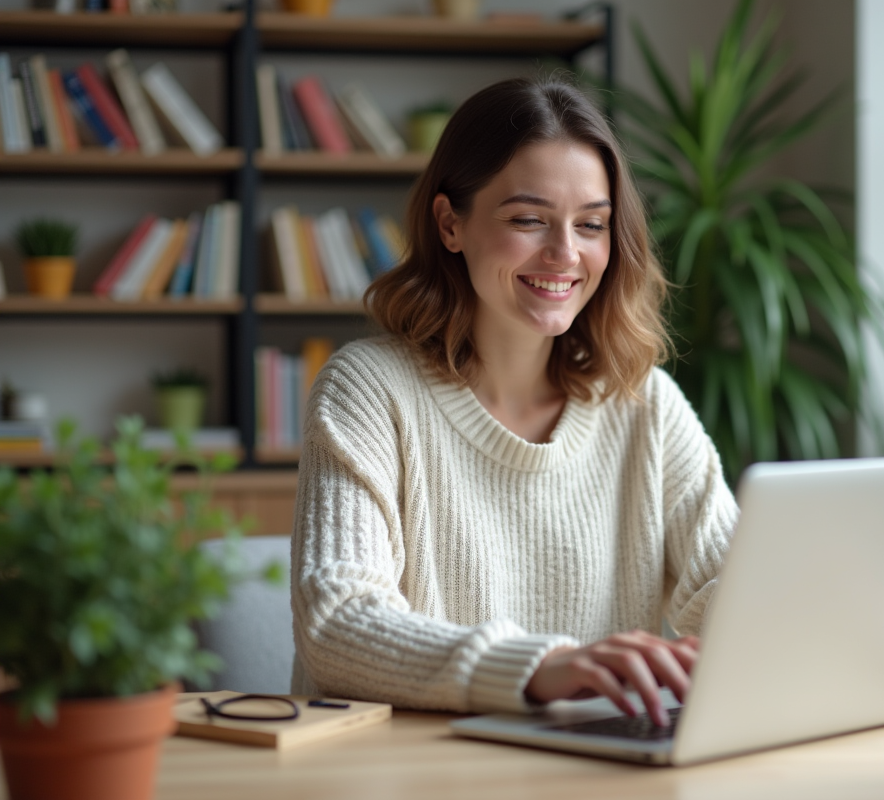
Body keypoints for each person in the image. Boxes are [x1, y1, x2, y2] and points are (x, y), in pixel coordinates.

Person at [290, 77, 738, 728]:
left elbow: (730, 590)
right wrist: (536, 668)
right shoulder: (368, 390)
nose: (565, 254)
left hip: (590, 767)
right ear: (450, 224)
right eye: (529, 220)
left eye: (592, 225)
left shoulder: (646, 406)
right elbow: (336, 624)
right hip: (403, 768)